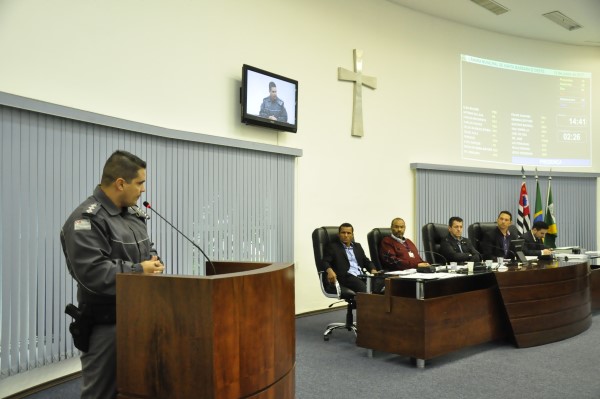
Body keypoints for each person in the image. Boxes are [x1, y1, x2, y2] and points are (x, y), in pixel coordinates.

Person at [61, 150, 165, 399]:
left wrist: (155, 263)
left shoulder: (132, 215)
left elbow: (148, 251)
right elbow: (94, 274)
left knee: (138, 388)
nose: (143, 190)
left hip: (139, 317)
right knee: (101, 393)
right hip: (106, 325)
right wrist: (140, 270)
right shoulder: (86, 220)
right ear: (121, 183)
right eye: (140, 183)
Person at [322, 223, 381, 293]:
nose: (346, 235)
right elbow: (325, 262)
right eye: (343, 233)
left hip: (361, 275)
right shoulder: (333, 247)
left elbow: (366, 261)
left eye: (348, 233)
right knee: (366, 290)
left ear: (352, 235)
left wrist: (373, 269)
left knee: (382, 286)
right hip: (346, 277)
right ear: (339, 234)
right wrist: (330, 271)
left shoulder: (357, 246)